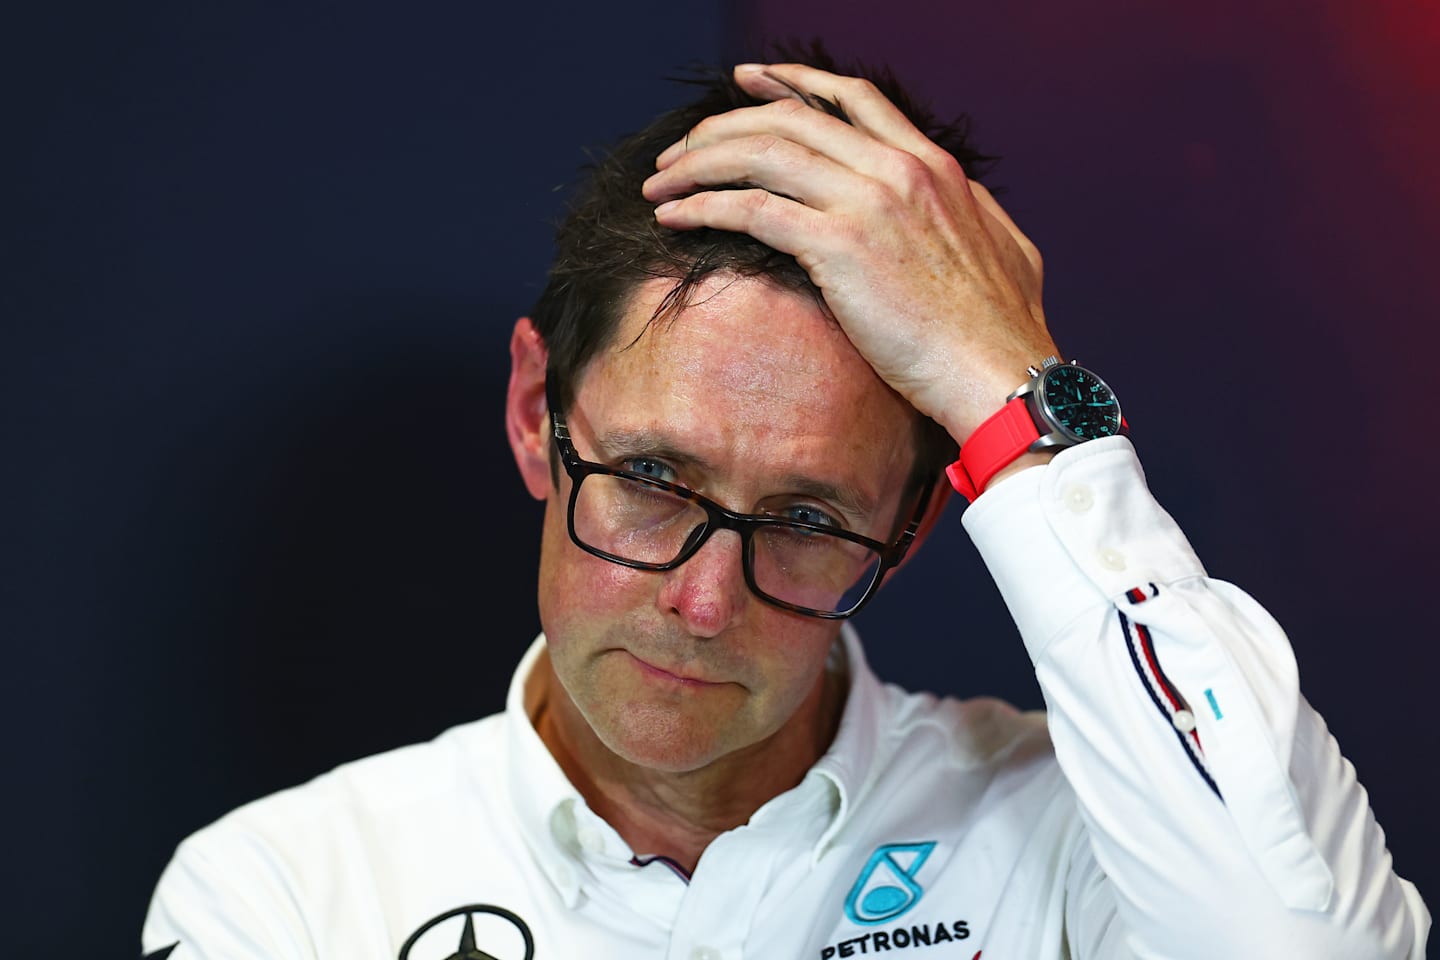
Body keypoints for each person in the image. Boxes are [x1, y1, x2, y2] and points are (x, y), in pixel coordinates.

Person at [141, 42, 1430, 959]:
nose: (704, 605)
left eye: (807, 522)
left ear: (921, 520)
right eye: (651, 480)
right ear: (539, 413)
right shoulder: (289, 894)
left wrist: (1016, 395)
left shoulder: (1075, 841)